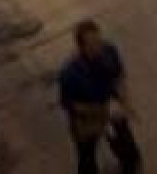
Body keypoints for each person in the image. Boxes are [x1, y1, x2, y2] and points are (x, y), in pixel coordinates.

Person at [59, 20, 141, 174]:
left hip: (109, 106)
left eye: (99, 41)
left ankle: (130, 166)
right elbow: (71, 105)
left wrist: (126, 102)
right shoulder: (70, 73)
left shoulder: (109, 51)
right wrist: (102, 112)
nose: (98, 47)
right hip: (86, 118)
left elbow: (118, 77)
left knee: (128, 148)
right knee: (87, 155)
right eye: (92, 44)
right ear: (81, 47)